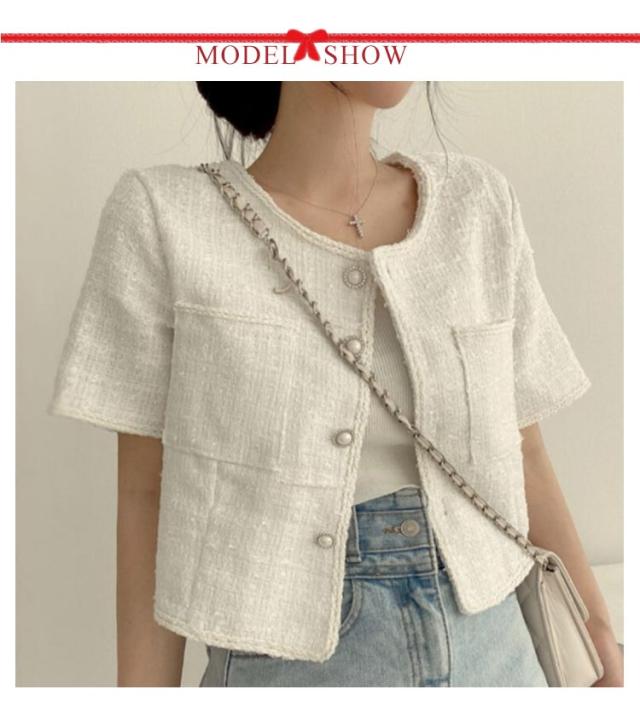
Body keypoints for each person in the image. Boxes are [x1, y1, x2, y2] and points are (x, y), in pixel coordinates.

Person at [48, 81, 623, 687]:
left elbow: (524, 450)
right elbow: (147, 496)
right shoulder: (165, 217)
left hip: (498, 650)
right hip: (286, 664)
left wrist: (601, 649)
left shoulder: (477, 204)